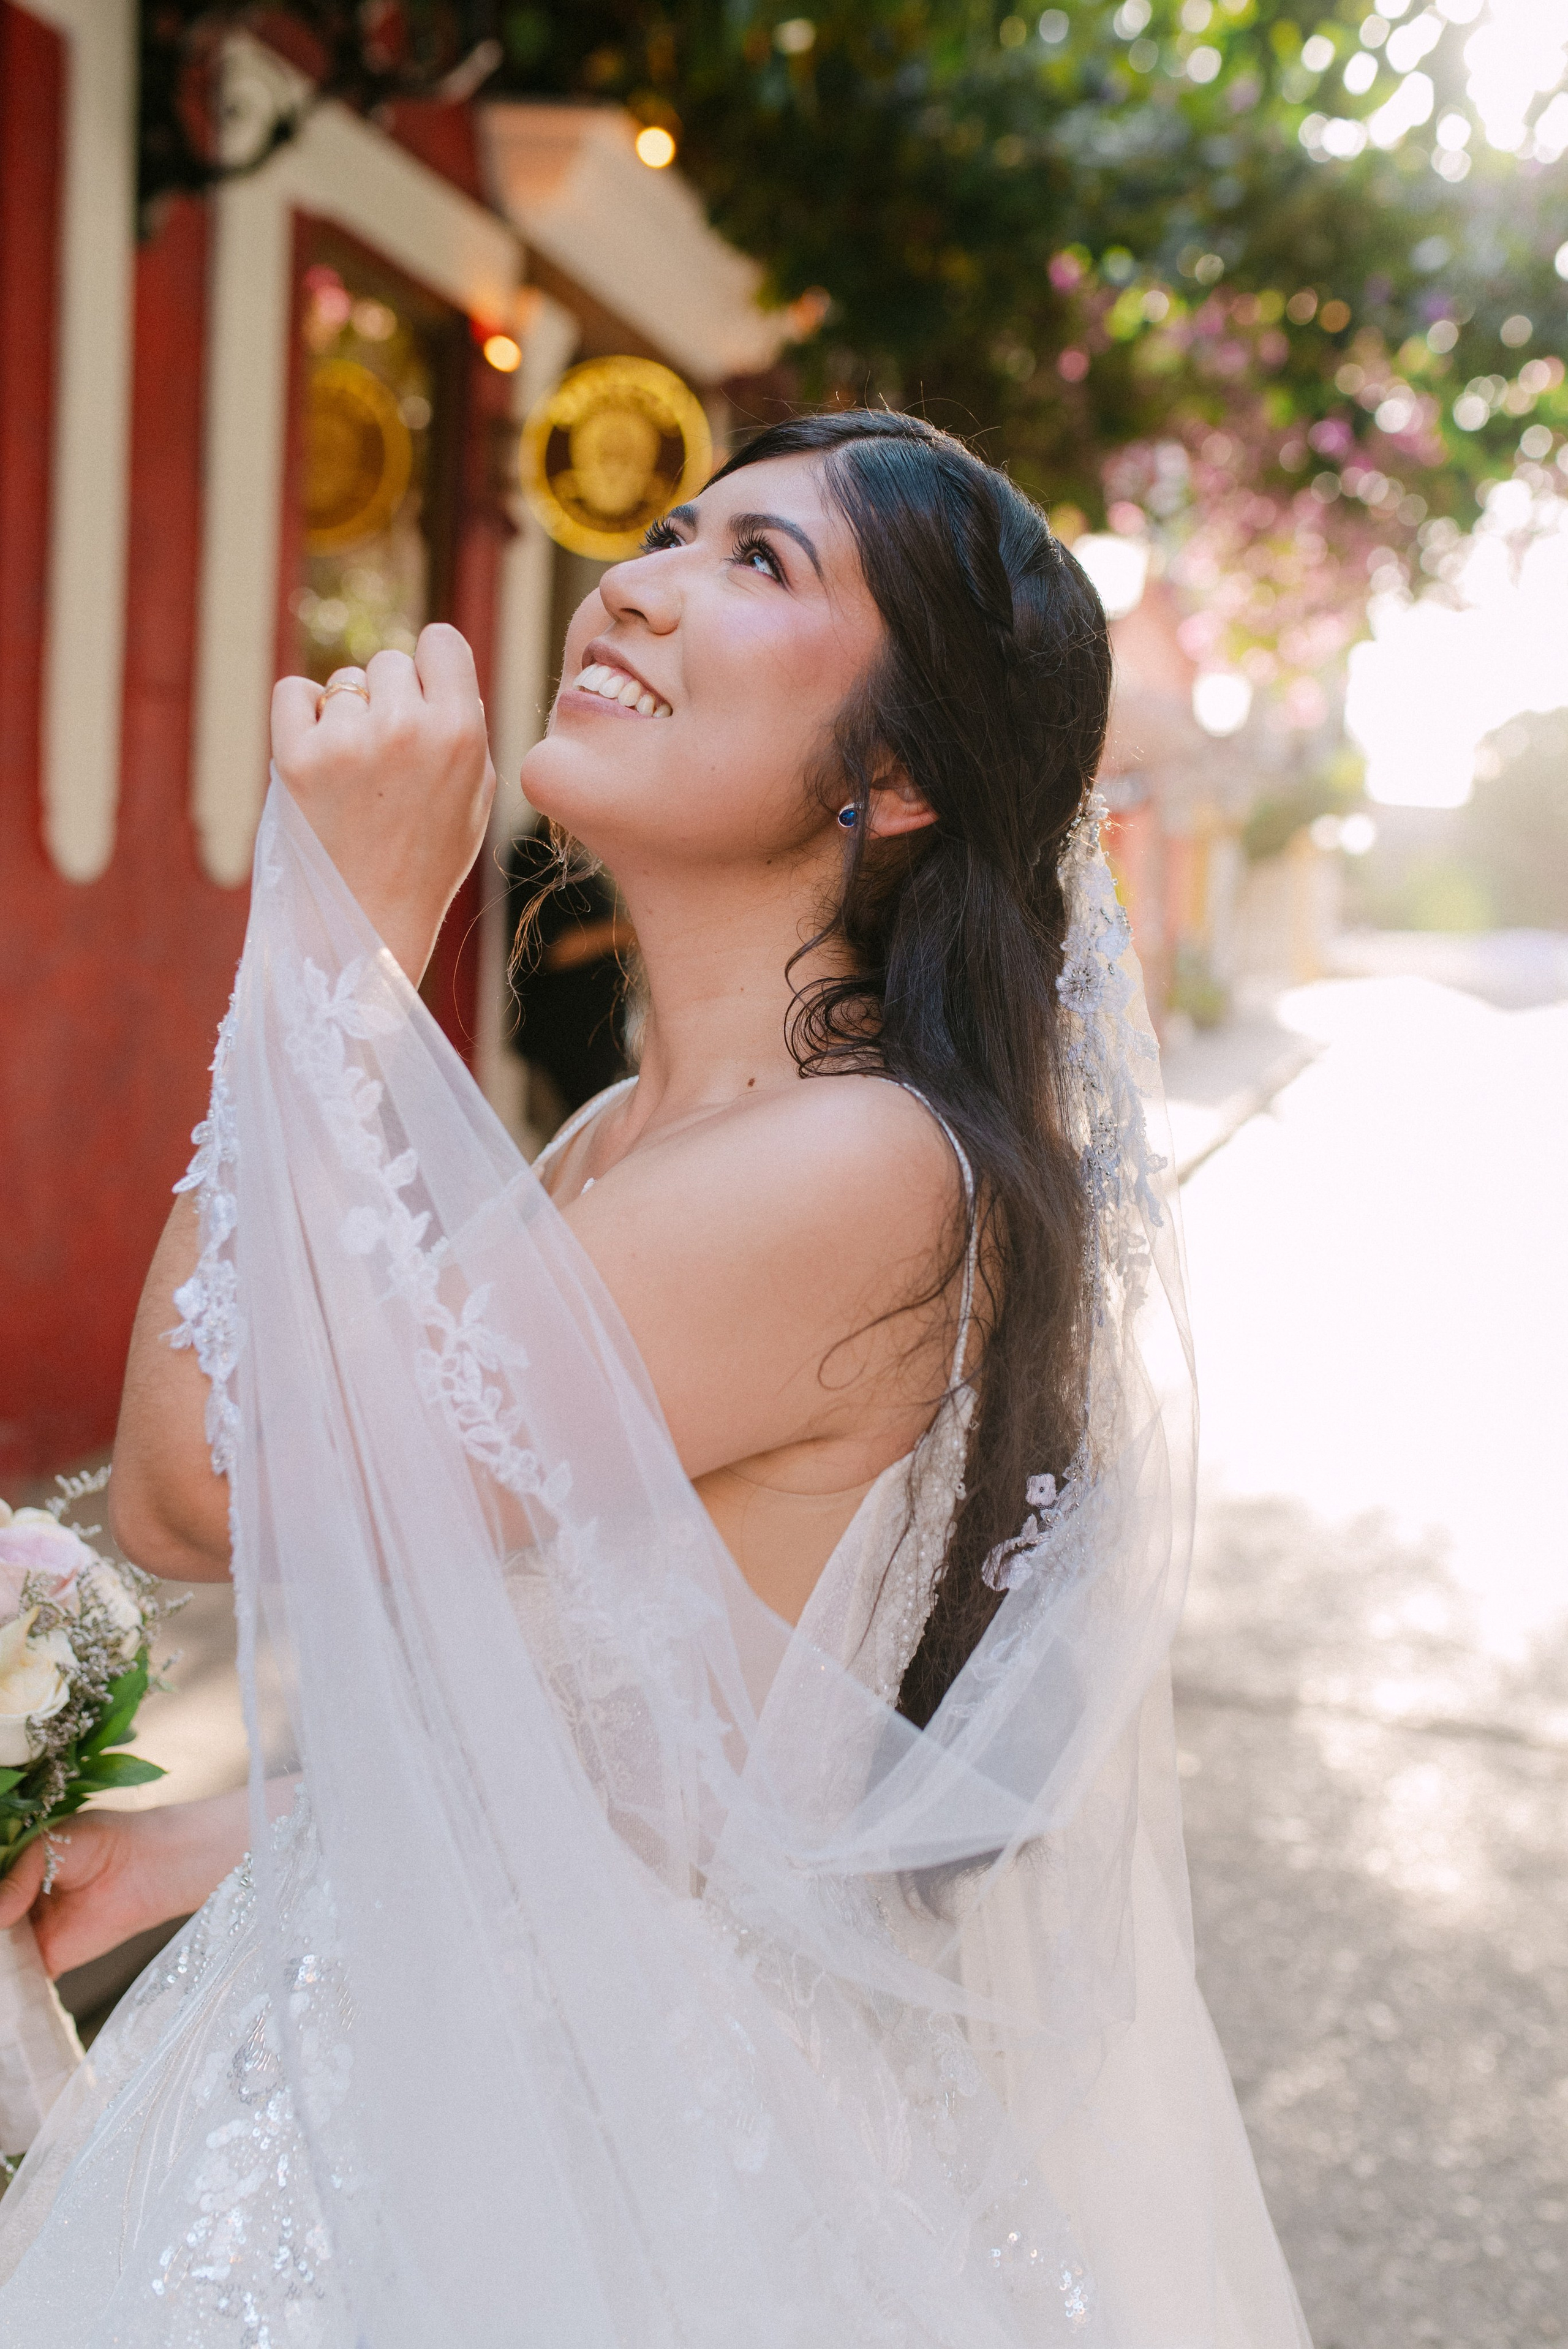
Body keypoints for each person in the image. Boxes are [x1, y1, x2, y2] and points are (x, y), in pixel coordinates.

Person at [0, 412, 1310, 2346]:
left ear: (898, 776)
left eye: (762, 564)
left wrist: (342, 943)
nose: (639, 580)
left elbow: (201, 1492)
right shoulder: (629, 1131)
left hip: (571, 2179)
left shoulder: (857, 1175)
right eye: (673, 531)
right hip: (410, 2057)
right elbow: (627, 1733)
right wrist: (228, 1832)